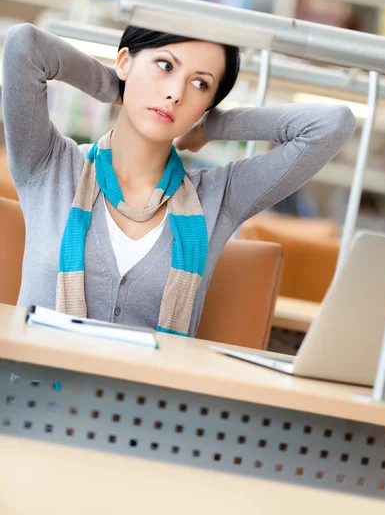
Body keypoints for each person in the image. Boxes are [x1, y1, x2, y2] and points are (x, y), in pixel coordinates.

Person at [2, 23, 356, 336]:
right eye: (165, 65)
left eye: (201, 84)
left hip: (146, 410)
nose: (176, 93)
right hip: (28, 402)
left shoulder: (218, 198)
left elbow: (332, 125)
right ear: (125, 61)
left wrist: (213, 127)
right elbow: (24, 45)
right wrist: (113, 86)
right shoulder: (49, 165)